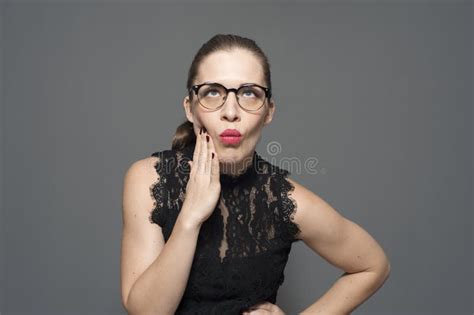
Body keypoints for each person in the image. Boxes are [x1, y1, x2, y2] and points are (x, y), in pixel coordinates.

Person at [120, 34, 391, 315]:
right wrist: (190, 218)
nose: (231, 112)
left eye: (249, 93)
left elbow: (373, 265)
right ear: (191, 108)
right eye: (213, 91)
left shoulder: (284, 199)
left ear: (269, 112)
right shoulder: (148, 179)